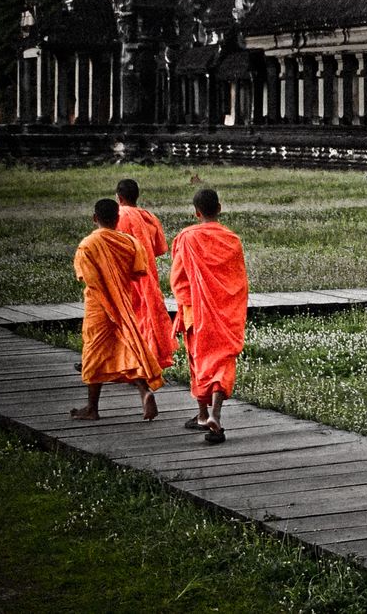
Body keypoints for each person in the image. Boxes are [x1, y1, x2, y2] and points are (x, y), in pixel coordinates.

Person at [71, 198, 163, 421]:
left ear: (95, 218)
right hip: (123, 304)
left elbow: (86, 277)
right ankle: (144, 392)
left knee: (94, 353)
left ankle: (92, 408)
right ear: (118, 218)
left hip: (99, 306)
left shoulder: (87, 245)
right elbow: (139, 271)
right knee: (129, 346)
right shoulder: (129, 242)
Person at [171, 188, 248, 445]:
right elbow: (238, 280)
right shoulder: (232, 239)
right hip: (227, 310)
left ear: (197, 213)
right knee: (223, 359)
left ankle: (204, 414)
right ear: (220, 208)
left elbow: (178, 278)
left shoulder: (187, 237)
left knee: (198, 358)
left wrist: (186, 304)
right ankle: (213, 413)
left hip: (196, 308)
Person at [115, 178, 176, 371]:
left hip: (124, 276)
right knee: (146, 317)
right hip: (147, 274)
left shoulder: (117, 215)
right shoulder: (149, 216)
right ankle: (148, 362)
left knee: (126, 318)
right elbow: (160, 248)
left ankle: (129, 364)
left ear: (119, 197)